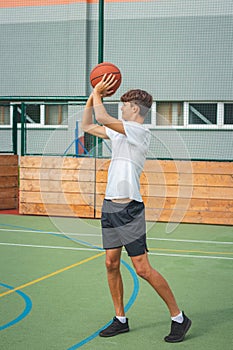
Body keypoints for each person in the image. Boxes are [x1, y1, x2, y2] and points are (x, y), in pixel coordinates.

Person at [81, 74, 192, 343]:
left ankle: (179, 317)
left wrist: (98, 92)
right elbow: (87, 124)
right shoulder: (120, 132)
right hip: (109, 206)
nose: (121, 107)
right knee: (110, 263)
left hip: (130, 209)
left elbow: (104, 118)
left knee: (142, 268)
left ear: (136, 109)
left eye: (125, 104)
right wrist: (91, 96)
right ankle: (120, 319)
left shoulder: (140, 131)